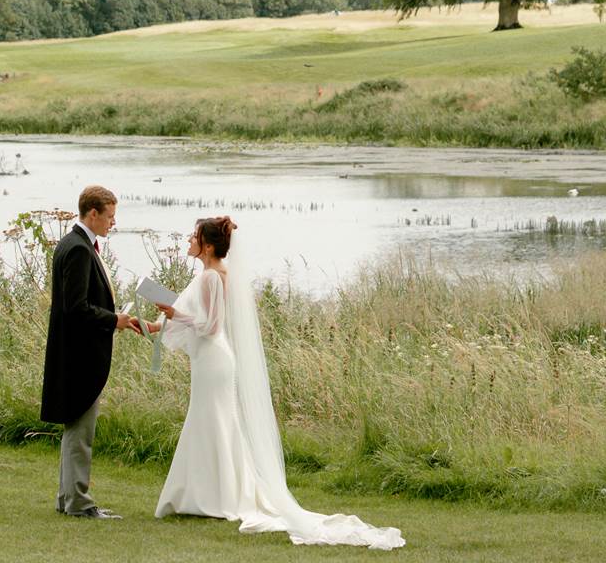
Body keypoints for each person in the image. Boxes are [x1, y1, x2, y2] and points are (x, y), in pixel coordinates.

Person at [147, 217, 405, 550]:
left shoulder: (212, 276)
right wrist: (159, 322)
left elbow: (210, 327)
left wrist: (173, 314)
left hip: (213, 358)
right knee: (216, 422)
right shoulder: (213, 275)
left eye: (193, 237)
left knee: (212, 421)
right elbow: (200, 322)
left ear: (207, 246)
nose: (188, 241)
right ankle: (213, 495)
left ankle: (213, 498)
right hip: (211, 359)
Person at [40, 185, 141, 519]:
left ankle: (67, 498)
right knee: (81, 433)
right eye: (110, 216)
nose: (113, 223)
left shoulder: (72, 244)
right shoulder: (80, 249)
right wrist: (116, 319)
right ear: (93, 213)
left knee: (75, 431)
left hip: (73, 352)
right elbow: (77, 308)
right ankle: (79, 502)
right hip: (80, 356)